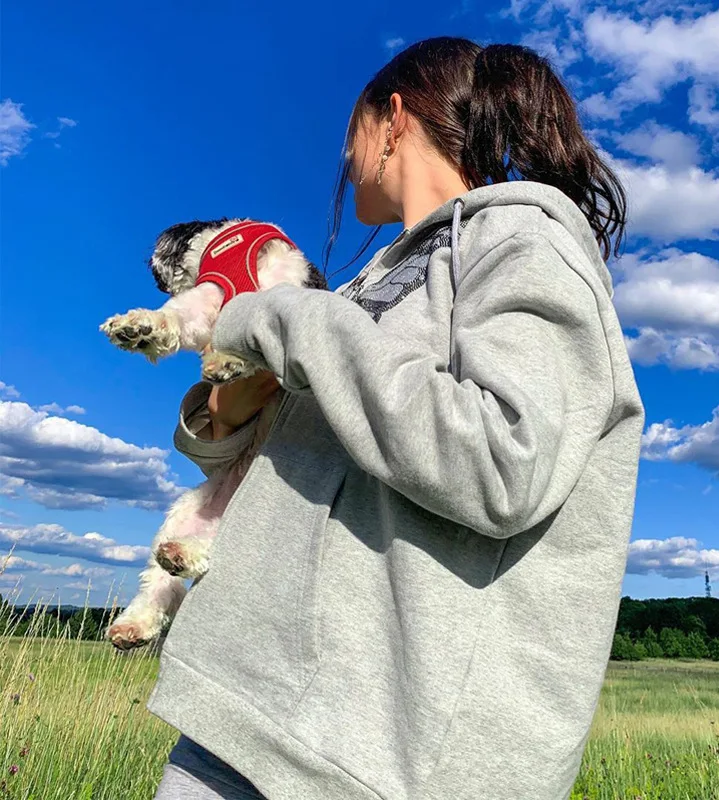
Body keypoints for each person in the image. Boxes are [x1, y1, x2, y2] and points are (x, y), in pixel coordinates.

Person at [149, 36, 644, 800]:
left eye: (351, 129)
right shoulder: (361, 287)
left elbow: (503, 462)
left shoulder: (527, 242)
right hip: (239, 712)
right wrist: (227, 408)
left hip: (372, 762)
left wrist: (283, 317)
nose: (344, 160)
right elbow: (252, 458)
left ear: (394, 118)